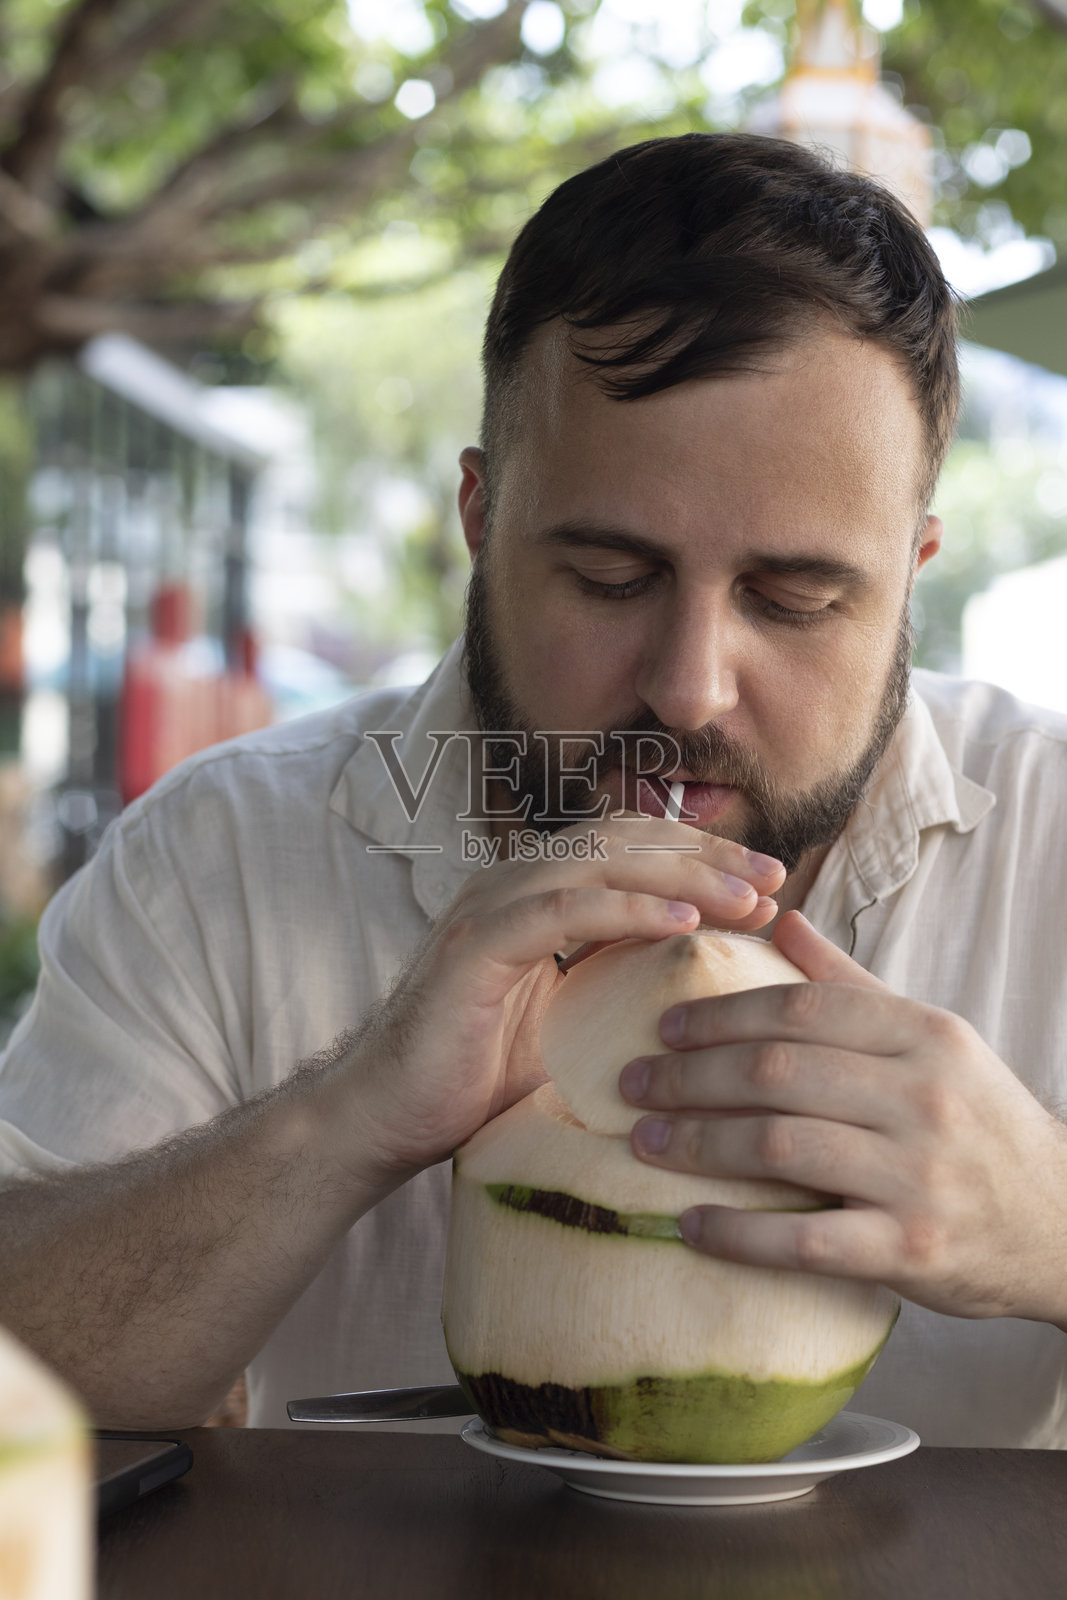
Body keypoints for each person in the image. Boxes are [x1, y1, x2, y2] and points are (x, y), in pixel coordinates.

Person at [1, 132, 1065, 1443]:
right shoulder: (220, 859)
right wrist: (345, 1117)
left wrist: (1052, 1226)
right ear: (480, 516)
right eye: (610, 579)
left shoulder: (1054, 840)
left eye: (794, 600)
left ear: (914, 572)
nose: (689, 688)